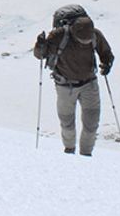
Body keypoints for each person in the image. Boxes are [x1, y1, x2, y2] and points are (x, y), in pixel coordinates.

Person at [33, 10, 113, 155]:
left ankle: (83, 154)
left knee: (87, 123)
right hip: (71, 85)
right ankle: (71, 151)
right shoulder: (60, 36)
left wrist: (107, 63)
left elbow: (106, 53)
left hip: (81, 85)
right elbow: (41, 55)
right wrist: (40, 45)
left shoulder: (94, 34)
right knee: (71, 123)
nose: (86, 42)